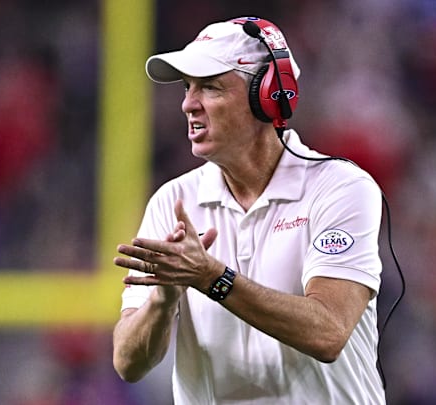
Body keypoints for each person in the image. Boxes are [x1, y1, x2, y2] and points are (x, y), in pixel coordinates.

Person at [112, 16, 386, 404]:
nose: (189, 103)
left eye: (210, 87)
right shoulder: (173, 202)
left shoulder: (339, 187)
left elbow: (328, 332)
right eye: (188, 88)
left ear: (269, 95)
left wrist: (210, 276)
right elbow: (128, 363)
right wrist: (163, 300)